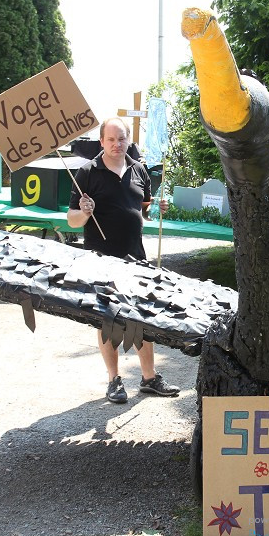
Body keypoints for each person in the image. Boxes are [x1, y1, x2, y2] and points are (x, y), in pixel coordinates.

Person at [66, 117, 179, 404]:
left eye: (122, 139)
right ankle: (114, 380)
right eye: (111, 139)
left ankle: (149, 378)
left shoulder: (139, 169)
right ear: (102, 141)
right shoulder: (87, 173)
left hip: (135, 257)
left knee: (142, 317)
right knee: (108, 322)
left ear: (129, 140)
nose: (117, 144)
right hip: (100, 260)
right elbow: (71, 220)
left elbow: (144, 210)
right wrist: (85, 212)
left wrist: (158, 209)